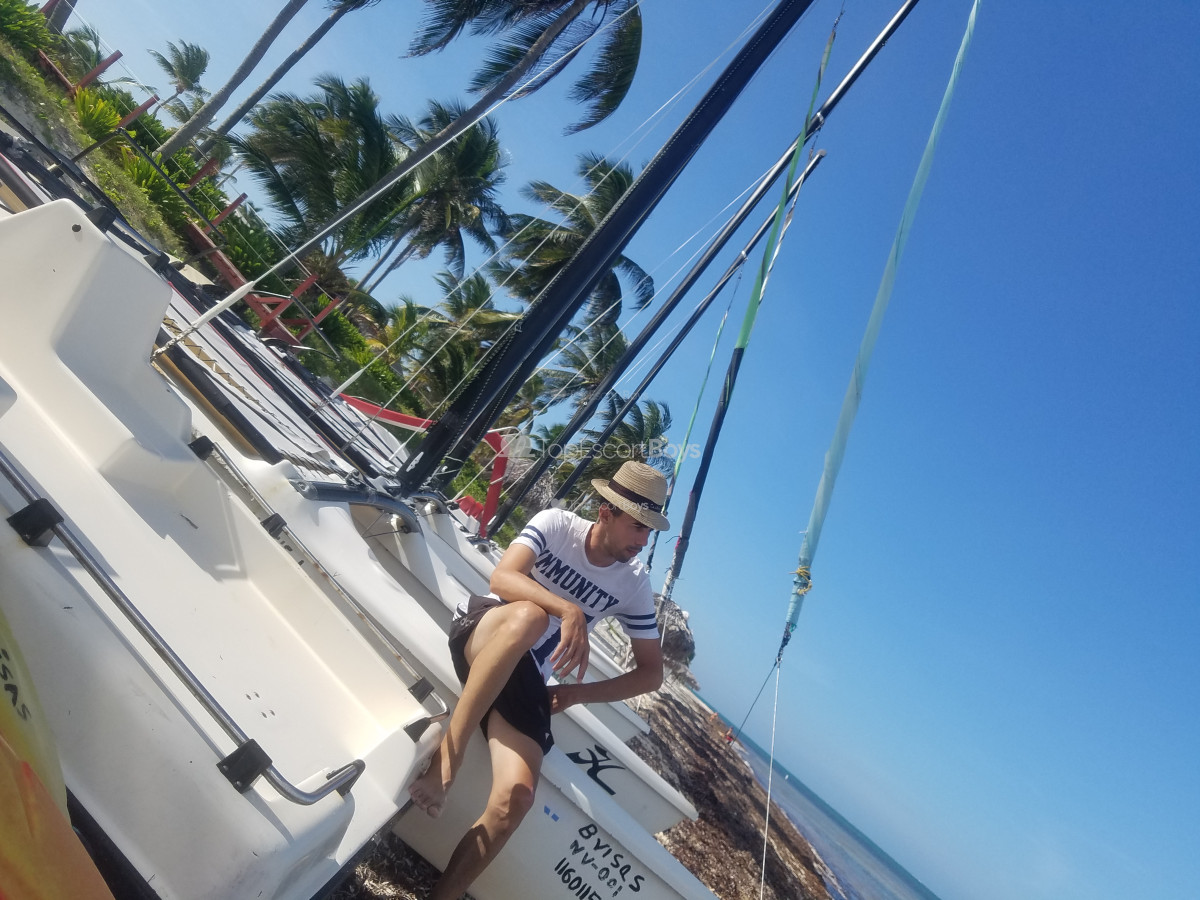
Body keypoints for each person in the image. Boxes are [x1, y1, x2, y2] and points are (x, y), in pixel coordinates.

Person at [408, 461, 670, 900]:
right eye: (637, 526)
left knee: (517, 799)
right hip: (486, 629)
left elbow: (651, 674)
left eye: (649, 531)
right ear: (606, 512)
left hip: (526, 674)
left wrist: (574, 693)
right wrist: (567, 610)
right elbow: (503, 577)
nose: (642, 541)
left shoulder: (633, 583)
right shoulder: (558, 525)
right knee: (530, 617)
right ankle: (447, 761)